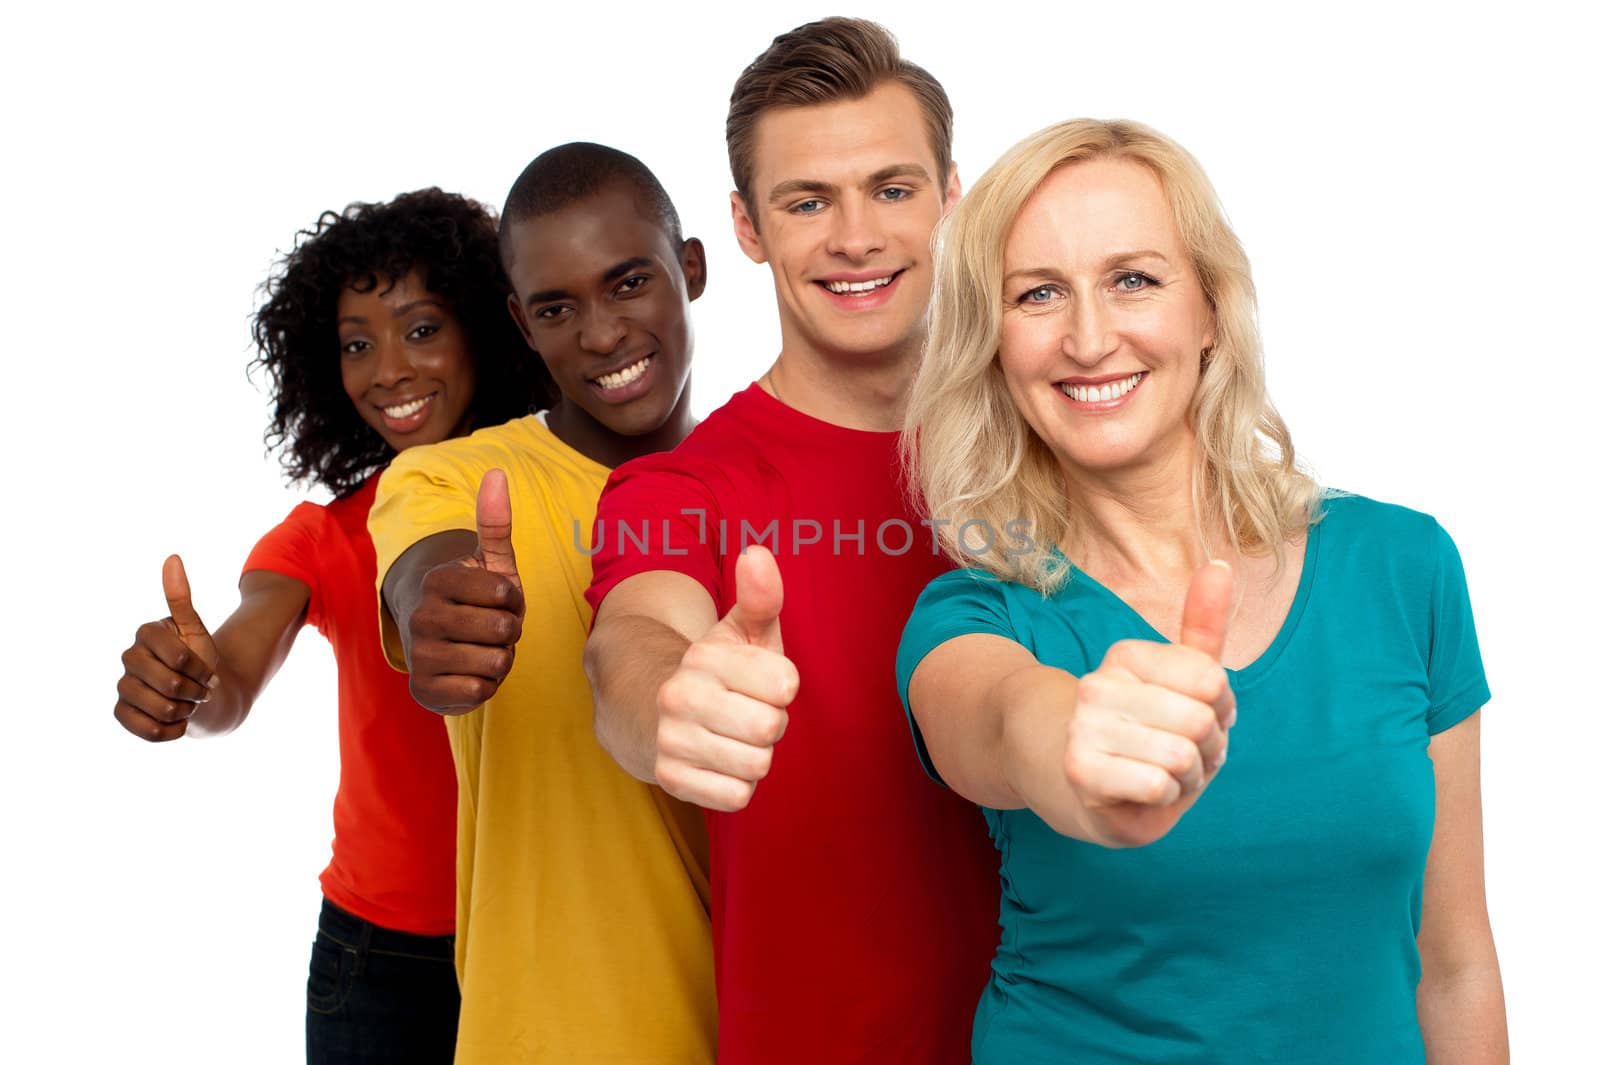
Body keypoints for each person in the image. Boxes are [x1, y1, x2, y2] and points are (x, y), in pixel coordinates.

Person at [896, 118, 1509, 1063]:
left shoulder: (1404, 565)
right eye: (1039, 294)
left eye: (1133, 279)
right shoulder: (976, 613)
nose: (1090, 337)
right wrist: (1075, 743)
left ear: (1211, 309)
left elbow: (1456, 960)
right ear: (992, 341)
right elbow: (1003, 720)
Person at [583, 19, 998, 1064]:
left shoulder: (1056, 447)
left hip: (1074, 1036)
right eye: (807, 202)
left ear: (951, 196)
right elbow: (632, 639)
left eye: (891, 190)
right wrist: (668, 700)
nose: (855, 238)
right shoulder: (682, 487)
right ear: (747, 227)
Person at [112, 188, 551, 1064]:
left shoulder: (567, 500)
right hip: (380, 955)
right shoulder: (322, 537)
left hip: (542, 938)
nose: (387, 368)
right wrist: (191, 682)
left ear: (485, 329)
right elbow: (232, 675)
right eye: (357, 343)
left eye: (421, 329)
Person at [367, 143, 715, 1064]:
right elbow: (422, 576)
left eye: (629, 282)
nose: (600, 334)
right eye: (558, 308)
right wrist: (443, 616)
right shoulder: (448, 479)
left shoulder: (767, 490)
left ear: (693, 269)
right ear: (523, 323)